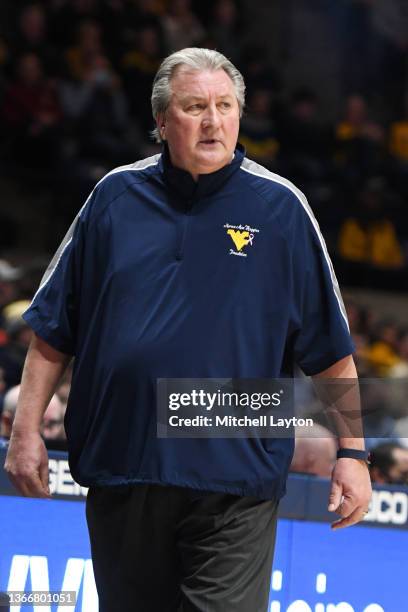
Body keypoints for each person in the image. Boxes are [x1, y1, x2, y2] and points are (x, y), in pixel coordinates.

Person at [4, 48, 371, 612]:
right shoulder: (113, 199)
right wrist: (26, 429)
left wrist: (352, 452)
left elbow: (332, 352)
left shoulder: (282, 210)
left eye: (225, 106)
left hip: (235, 478)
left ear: (241, 117)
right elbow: (54, 326)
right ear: (161, 121)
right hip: (125, 466)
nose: (212, 121)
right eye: (195, 106)